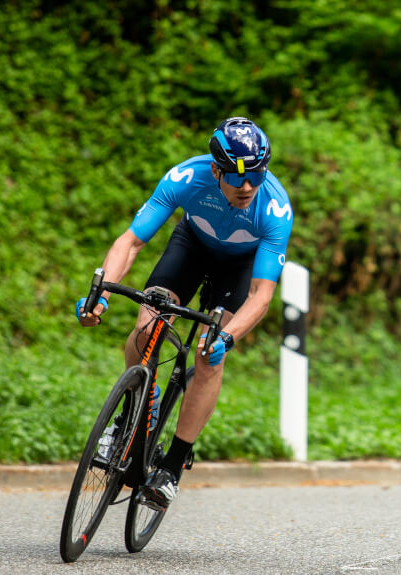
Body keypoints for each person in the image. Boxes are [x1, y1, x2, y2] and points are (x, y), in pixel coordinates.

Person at [75, 117, 293, 509]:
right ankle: (134, 413)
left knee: (210, 354)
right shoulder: (187, 178)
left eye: (256, 177)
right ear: (215, 170)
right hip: (191, 247)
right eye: (236, 177)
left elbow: (261, 295)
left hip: (239, 267)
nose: (247, 187)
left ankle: (172, 466)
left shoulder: (275, 208)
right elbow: (131, 242)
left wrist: (227, 337)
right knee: (147, 328)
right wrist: (100, 294)